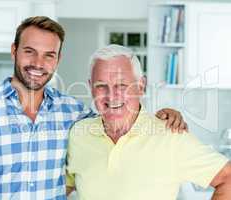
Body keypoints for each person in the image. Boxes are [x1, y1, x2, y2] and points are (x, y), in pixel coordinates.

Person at [0, 17, 187, 200]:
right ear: (14, 51)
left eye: (49, 55)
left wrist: (164, 114)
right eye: (30, 52)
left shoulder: (74, 114)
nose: (38, 64)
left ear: (57, 60)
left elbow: (118, 116)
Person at [66, 44, 231, 200]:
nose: (111, 95)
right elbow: (58, 188)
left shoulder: (171, 136)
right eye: (101, 85)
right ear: (90, 87)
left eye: (122, 85)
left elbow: (227, 179)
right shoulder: (78, 134)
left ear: (141, 85)